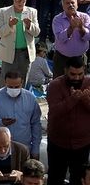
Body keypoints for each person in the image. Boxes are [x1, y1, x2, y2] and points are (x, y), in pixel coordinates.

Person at [47, 56, 90, 185]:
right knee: (55, 178)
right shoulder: (55, 85)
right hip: (58, 144)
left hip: (82, 144)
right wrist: (73, 99)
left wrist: (86, 100)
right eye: (73, 74)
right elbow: (54, 112)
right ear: (65, 71)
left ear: (85, 71)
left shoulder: (89, 84)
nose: (76, 78)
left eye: (80, 74)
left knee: (78, 179)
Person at [0, 71, 42, 159]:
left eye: (17, 87)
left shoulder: (30, 99)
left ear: (22, 83)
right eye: (10, 87)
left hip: (24, 149)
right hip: (0, 150)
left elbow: (36, 125)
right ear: (5, 82)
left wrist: (35, 150)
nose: (13, 89)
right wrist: (1, 122)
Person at [0, 0, 41, 82]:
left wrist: (29, 25)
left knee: (23, 81)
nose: (21, 2)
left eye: (24, 0)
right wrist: (9, 25)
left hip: (25, 54)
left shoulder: (32, 12)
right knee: (5, 81)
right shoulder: (3, 12)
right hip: (9, 52)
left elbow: (37, 33)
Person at [52, 0, 90, 77]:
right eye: (67, 3)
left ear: (77, 4)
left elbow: (88, 37)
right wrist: (71, 28)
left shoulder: (85, 17)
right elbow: (60, 38)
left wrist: (81, 28)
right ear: (63, 6)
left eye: (73, 2)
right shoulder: (57, 19)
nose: (71, 5)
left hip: (80, 58)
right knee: (59, 86)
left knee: (80, 86)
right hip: (62, 59)